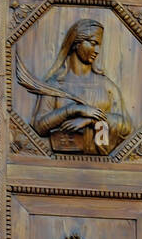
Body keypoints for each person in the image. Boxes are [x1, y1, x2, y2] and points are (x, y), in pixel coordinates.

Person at [25, 18, 131, 155]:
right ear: (76, 43)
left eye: (99, 45)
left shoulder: (107, 87)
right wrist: (73, 110)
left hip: (101, 166)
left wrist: (89, 120)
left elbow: (125, 126)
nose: (97, 50)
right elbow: (39, 126)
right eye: (93, 43)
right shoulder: (55, 85)